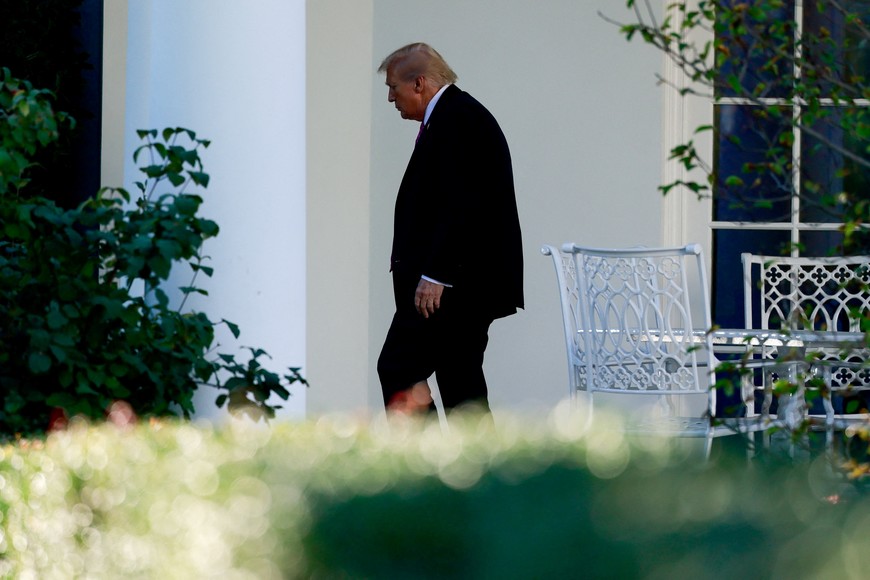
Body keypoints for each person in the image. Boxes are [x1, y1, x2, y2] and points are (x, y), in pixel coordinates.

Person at [376, 42, 523, 416]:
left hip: (451, 287)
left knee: (398, 367)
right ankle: (473, 468)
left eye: (393, 87)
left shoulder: (457, 119)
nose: (390, 97)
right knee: (460, 378)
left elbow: (465, 204)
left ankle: (423, 465)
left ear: (419, 83)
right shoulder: (456, 115)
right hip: (460, 285)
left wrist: (436, 273)